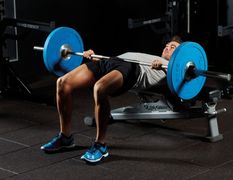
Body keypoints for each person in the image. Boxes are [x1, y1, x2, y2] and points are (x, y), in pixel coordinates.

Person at [40, 35, 182, 163]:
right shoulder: (153, 57)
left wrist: (164, 67)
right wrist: (96, 57)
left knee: (99, 88)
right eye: (167, 45)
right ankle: (65, 137)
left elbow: (184, 78)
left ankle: (100, 145)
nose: (167, 47)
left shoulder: (174, 68)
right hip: (112, 61)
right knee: (62, 83)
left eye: (173, 47)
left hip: (133, 68)